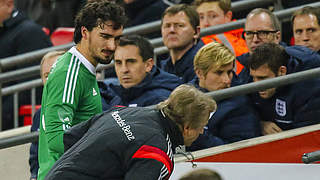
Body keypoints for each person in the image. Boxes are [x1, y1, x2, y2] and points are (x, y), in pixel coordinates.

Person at [44, 84, 217, 180]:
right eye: (201, 126)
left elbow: (70, 138)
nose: (202, 131)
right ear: (187, 127)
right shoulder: (156, 153)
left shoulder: (122, 111)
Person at [37, 1, 127, 179]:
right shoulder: (69, 72)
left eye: (116, 38)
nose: (112, 46)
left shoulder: (82, 69)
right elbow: (58, 140)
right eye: (104, 36)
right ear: (85, 32)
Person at [188, 42, 261, 150]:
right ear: (199, 73)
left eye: (230, 72)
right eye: (219, 73)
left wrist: (198, 134)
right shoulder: (185, 96)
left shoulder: (240, 104)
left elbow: (237, 152)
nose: (227, 80)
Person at [248, 43, 320, 135]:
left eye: (262, 78)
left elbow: (305, 139)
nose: (255, 85)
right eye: (253, 78)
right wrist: (259, 124)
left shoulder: (309, 88)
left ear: (282, 71)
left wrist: (283, 137)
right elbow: (241, 108)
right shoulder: (251, 73)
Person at [99, 35, 182, 110]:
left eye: (131, 62)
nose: (124, 70)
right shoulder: (117, 92)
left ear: (148, 65)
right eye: (118, 63)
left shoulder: (159, 100)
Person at [238, 8, 320, 83]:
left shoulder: (300, 63)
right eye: (249, 33)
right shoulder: (241, 67)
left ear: (277, 37)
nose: (255, 39)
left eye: (263, 33)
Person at [29, 51, 65, 180]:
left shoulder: (85, 106)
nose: (51, 80)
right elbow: (35, 156)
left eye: (56, 73)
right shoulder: (39, 115)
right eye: (47, 76)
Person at [193, 0, 249, 74]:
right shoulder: (200, 43)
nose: (206, 23)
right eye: (201, 17)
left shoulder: (247, 35)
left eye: (213, 16)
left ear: (227, 16)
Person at [160, 4, 204, 83]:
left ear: (196, 32)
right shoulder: (163, 67)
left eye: (179, 25)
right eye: (167, 26)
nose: (171, 30)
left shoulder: (206, 63)